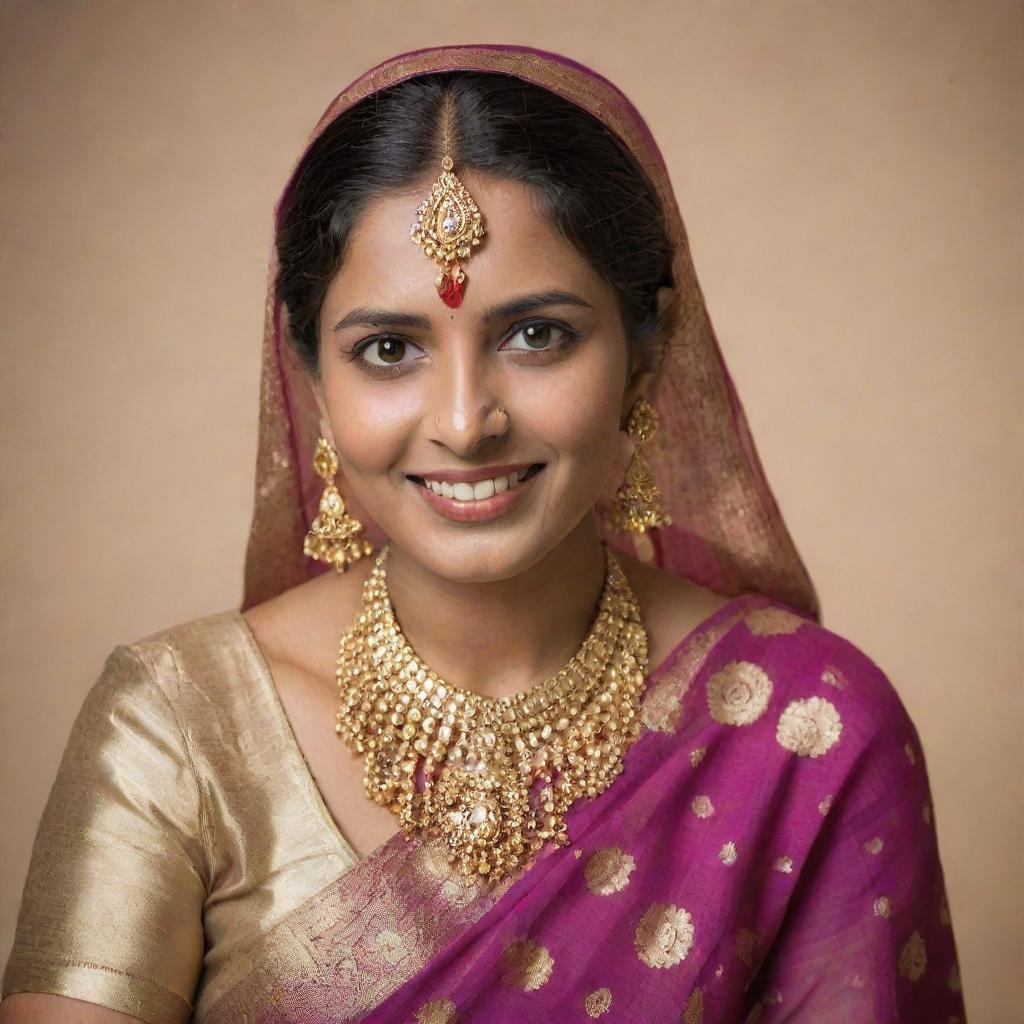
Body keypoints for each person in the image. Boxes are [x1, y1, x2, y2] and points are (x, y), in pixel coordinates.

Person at [1, 43, 965, 1024]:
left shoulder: (801, 730)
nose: (465, 422)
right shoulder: (181, 728)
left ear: (643, 353)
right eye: (388, 349)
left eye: (536, 334)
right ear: (312, 379)